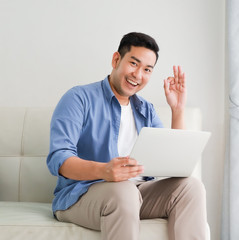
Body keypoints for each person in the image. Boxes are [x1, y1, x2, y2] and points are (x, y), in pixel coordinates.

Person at [46, 32, 208, 240]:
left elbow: (173, 163)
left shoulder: (146, 110)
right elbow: (58, 159)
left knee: (191, 187)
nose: (138, 75)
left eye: (147, 70)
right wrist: (104, 171)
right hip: (82, 195)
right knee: (124, 192)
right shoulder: (79, 98)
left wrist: (177, 110)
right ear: (116, 60)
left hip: (136, 193)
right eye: (133, 64)